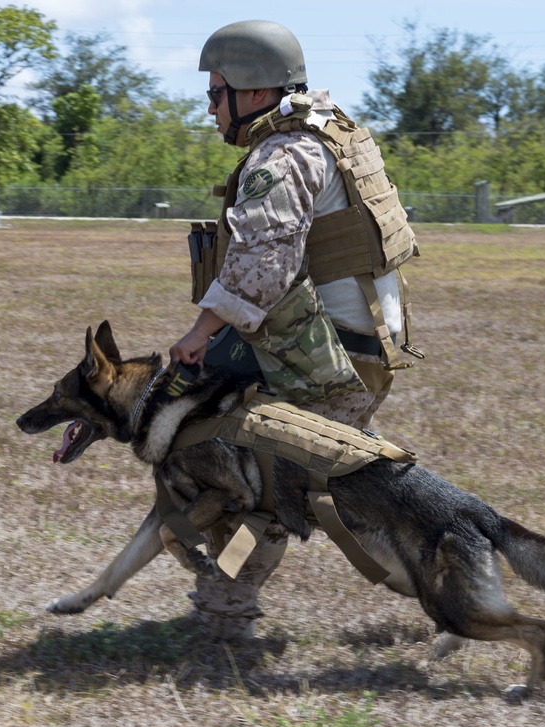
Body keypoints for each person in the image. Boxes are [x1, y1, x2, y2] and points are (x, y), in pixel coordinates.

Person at [168, 20, 421, 640]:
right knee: (327, 481)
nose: (209, 106)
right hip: (356, 348)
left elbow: (263, 265)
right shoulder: (328, 132)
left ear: (253, 91)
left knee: (244, 475)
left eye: (215, 91)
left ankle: (224, 612)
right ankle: (439, 576)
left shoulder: (282, 156)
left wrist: (201, 331)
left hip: (336, 359)